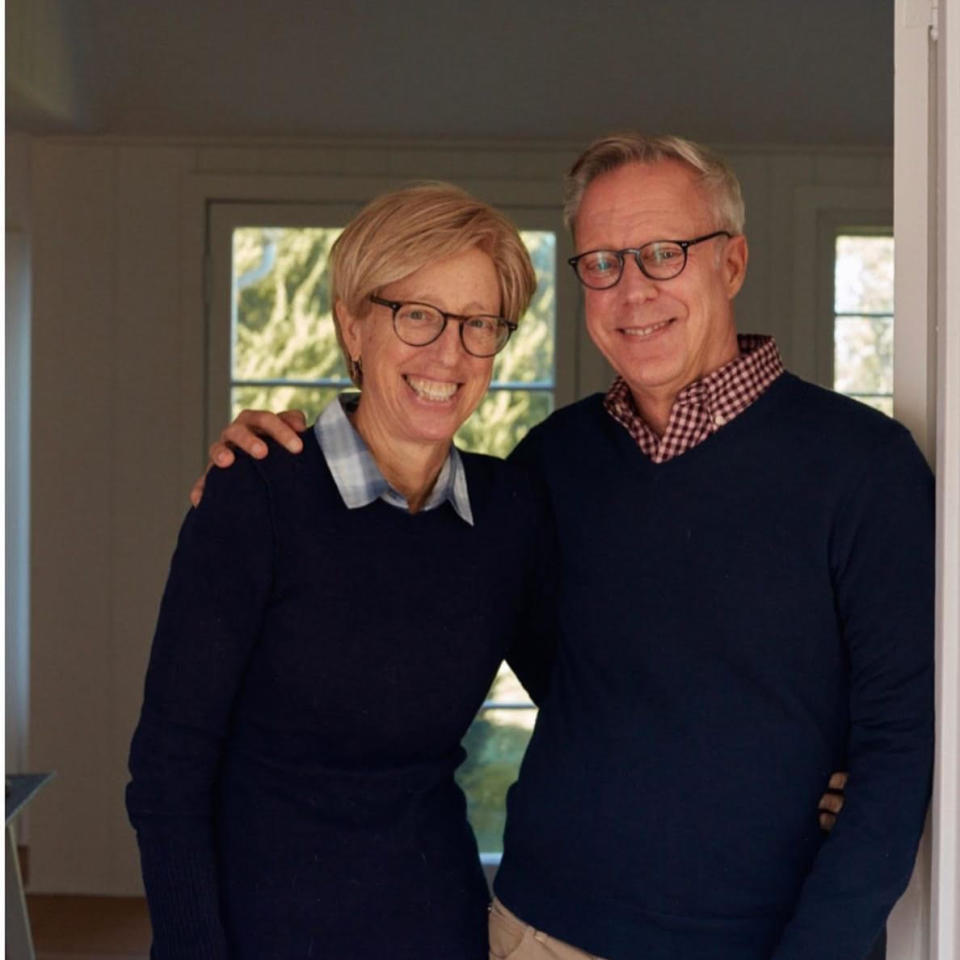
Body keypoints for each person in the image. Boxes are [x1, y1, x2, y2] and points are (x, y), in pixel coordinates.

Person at [209, 134, 932, 960]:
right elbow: (392, 554)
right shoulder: (546, 468)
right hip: (539, 932)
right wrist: (265, 473)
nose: (633, 291)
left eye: (664, 254)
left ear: (730, 264)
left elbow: (900, 746)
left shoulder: (864, 466)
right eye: (602, 263)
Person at [126, 183, 560, 959]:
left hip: (437, 924)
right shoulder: (257, 493)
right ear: (351, 324)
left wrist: (810, 763)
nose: (449, 353)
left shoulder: (509, 513)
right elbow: (167, 770)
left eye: (479, 324)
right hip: (260, 931)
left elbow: (594, 698)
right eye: (417, 314)